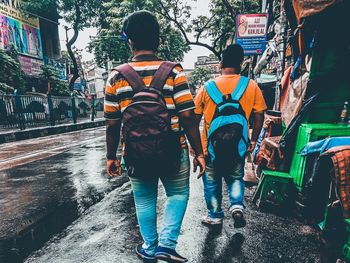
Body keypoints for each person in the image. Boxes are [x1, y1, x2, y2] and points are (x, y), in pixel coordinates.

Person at [104, 10, 205, 263]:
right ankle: (167, 246)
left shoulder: (115, 76)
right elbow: (188, 116)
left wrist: (111, 157)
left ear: (130, 41)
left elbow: (112, 124)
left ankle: (150, 247)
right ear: (158, 40)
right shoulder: (175, 72)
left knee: (144, 200)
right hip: (173, 149)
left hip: (135, 152)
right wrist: (199, 152)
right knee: (178, 194)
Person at [194, 44, 267, 227]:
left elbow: (193, 119)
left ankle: (215, 215)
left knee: (211, 181)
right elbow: (259, 115)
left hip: (210, 148)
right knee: (235, 177)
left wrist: (196, 149)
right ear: (241, 64)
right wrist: (252, 139)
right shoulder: (251, 86)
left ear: (220, 64)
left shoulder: (207, 87)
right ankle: (236, 206)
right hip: (238, 145)